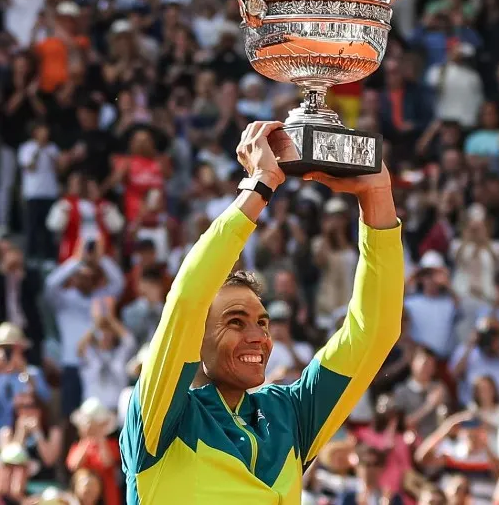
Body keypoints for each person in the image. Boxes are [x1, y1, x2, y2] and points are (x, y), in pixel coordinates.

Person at [120, 121, 404, 502]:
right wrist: (260, 185)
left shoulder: (290, 416)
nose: (258, 337)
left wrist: (377, 196)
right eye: (235, 322)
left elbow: (374, 332)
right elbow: (187, 300)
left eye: (262, 323)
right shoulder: (157, 423)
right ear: (195, 340)